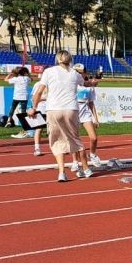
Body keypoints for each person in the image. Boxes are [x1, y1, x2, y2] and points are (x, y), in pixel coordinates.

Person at [34, 50, 89, 182]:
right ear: (70, 60)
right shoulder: (74, 73)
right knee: (75, 139)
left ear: (57, 59)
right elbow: (84, 82)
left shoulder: (48, 72)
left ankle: (61, 173)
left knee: (56, 141)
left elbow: (39, 92)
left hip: (53, 109)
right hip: (71, 109)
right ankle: (86, 169)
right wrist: (92, 80)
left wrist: (33, 108)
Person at [72, 64, 102, 168]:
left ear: (84, 72)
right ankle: (75, 161)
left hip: (85, 113)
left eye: (81, 72)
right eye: (77, 72)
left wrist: (96, 119)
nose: (79, 74)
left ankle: (92, 154)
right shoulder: (72, 84)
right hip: (74, 112)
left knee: (93, 138)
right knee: (74, 139)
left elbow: (91, 103)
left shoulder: (90, 87)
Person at [4, 67, 31, 133]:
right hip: (24, 96)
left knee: (12, 108)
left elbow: (5, 79)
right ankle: (24, 125)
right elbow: (31, 79)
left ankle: (8, 121)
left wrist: (10, 74)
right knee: (23, 111)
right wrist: (27, 74)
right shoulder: (27, 78)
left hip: (16, 96)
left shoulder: (15, 79)